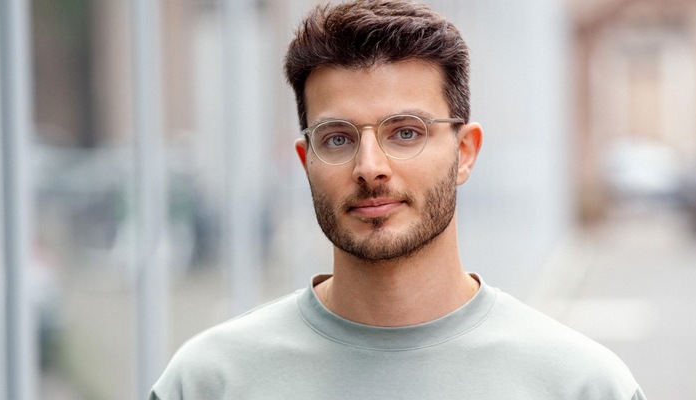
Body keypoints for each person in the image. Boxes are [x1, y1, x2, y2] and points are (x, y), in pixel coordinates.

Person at [149, 1, 647, 399]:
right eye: (338, 138)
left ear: (465, 153)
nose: (370, 167)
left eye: (406, 132)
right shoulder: (209, 382)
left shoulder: (579, 385)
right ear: (306, 161)